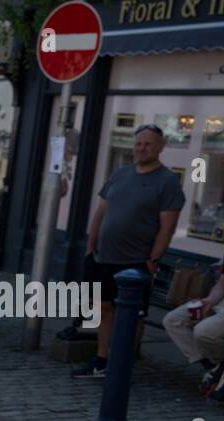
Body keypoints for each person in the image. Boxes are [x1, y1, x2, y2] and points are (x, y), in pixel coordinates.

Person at [74, 124, 185, 378]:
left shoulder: (167, 182)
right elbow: (101, 212)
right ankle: (102, 361)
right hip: (103, 257)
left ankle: (122, 363)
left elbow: (167, 228)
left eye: (148, 144)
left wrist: (153, 260)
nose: (141, 148)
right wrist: (91, 247)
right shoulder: (120, 173)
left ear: (160, 147)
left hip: (136, 261)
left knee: (133, 315)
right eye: (138, 144)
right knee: (102, 310)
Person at [162, 193, 224, 401]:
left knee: (204, 331)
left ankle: (222, 368)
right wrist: (209, 301)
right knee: (174, 319)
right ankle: (216, 367)